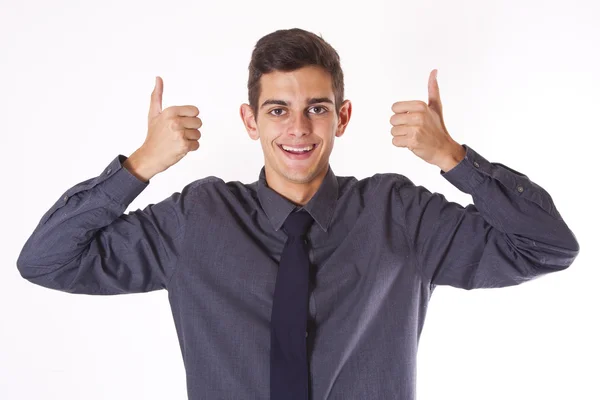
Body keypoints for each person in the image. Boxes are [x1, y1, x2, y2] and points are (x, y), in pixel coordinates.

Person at [16, 28, 580, 400]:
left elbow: (548, 246)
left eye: (316, 109)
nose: (298, 129)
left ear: (343, 116)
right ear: (250, 120)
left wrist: (453, 159)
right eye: (278, 109)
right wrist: (137, 166)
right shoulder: (197, 220)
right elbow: (46, 261)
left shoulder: (398, 213)